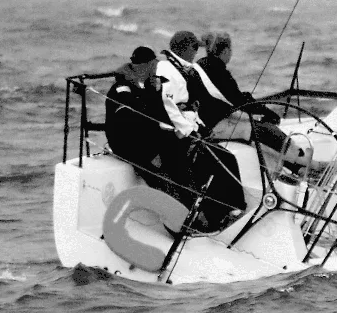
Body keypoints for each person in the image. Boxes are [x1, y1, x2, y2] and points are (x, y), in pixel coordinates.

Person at [156, 30, 248, 233]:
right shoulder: (166, 70)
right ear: (187, 49)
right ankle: (226, 213)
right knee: (216, 161)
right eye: (195, 48)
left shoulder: (180, 69)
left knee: (225, 158)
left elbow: (188, 107)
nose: (198, 52)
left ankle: (229, 212)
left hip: (186, 129)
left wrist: (201, 128)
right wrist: (191, 131)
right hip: (171, 135)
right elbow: (167, 107)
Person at [198, 31, 295, 174]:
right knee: (265, 130)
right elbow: (239, 101)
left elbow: (232, 98)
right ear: (225, 51)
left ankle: (292, 166)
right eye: (230, 50)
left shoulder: (201, 66)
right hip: (214, 125)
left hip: (208, 120)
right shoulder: (219, 72)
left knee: (259, 130)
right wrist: (267, 113)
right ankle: (308, 164)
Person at [102, 46, 179, 191]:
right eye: (153, 65)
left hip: (145, 138)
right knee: (163, 172)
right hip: (127, 143)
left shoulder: (147, 87)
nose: (155, 69)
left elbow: (158, 112)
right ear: (145, 66)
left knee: (178, 145)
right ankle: (170, 194)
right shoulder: (122, 89)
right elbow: (131, 119)